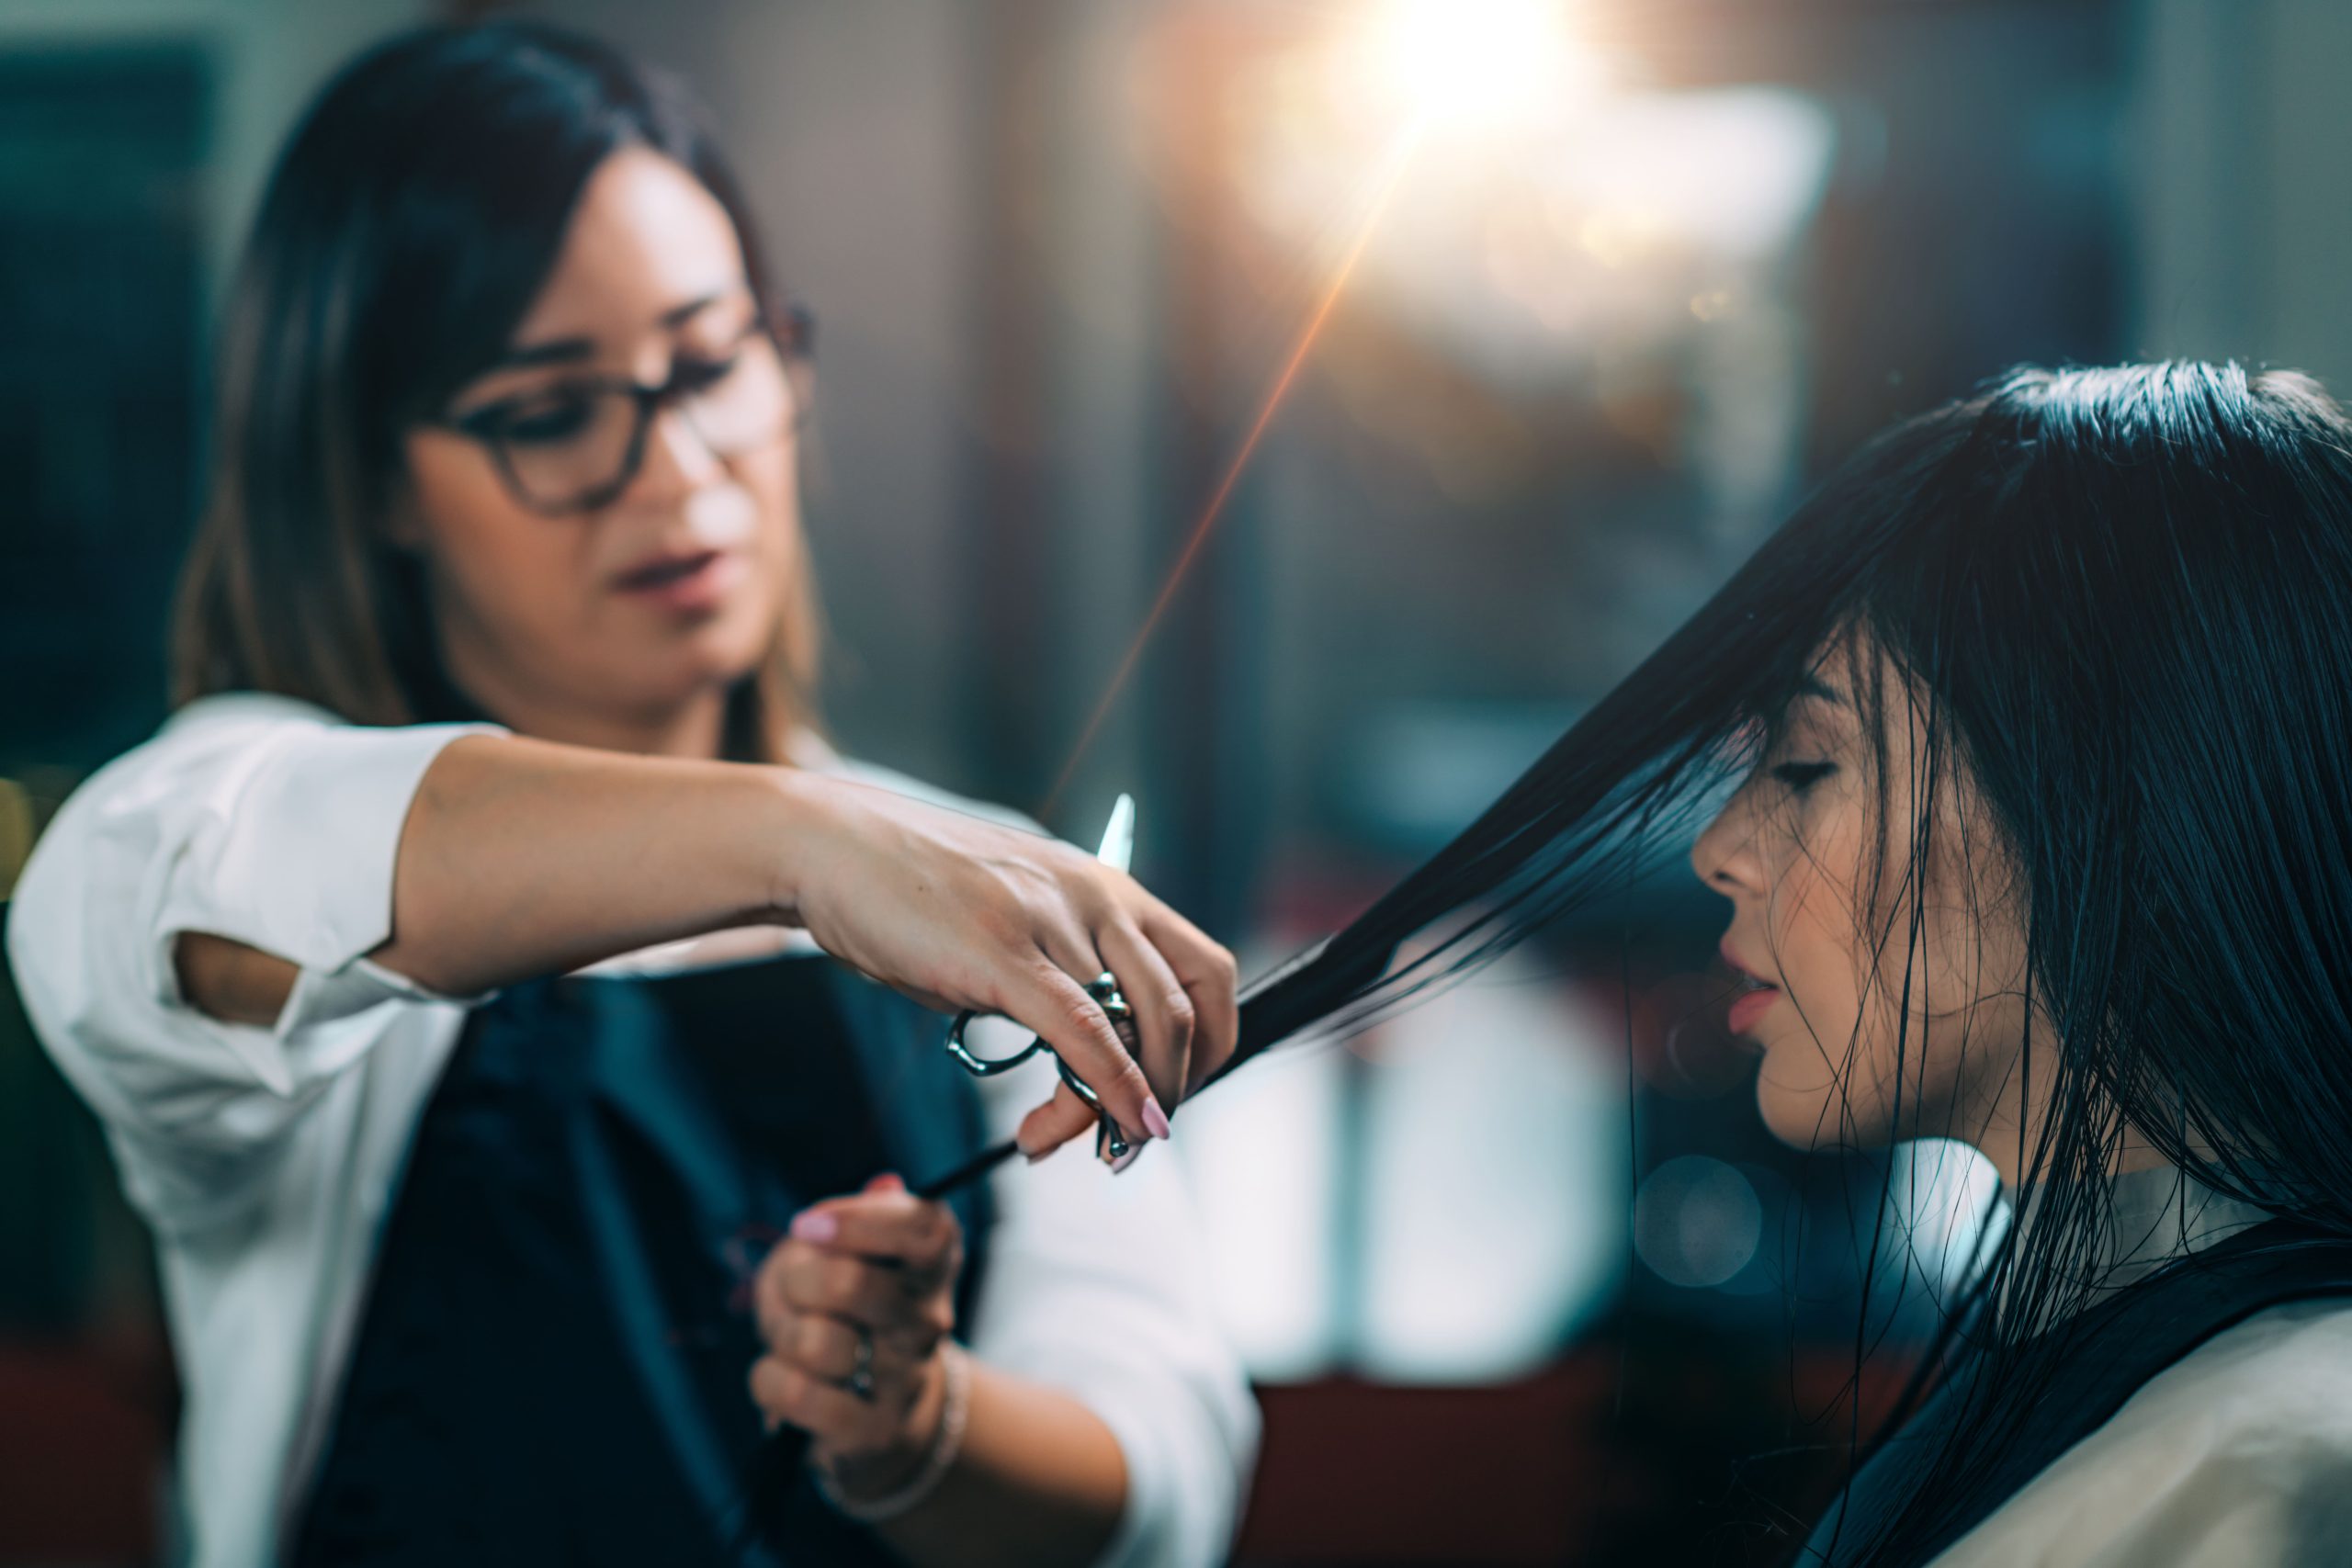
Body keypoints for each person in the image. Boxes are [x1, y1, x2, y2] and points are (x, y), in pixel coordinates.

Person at [6, 22, 1252, 1568]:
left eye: (714, 361)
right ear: (375, 475)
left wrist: (916, 1426)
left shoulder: (976, 892)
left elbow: (1159, 1483)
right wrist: (800, 843)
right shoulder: (259, 821)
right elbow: (125, 892)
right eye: (550, 411)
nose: (676, 471)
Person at [1228, 360, 2352, 1565]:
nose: (1720, 850)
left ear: (2105, 805)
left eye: (1809, 765)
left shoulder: (2275, 1476)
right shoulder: (2158, 1414)